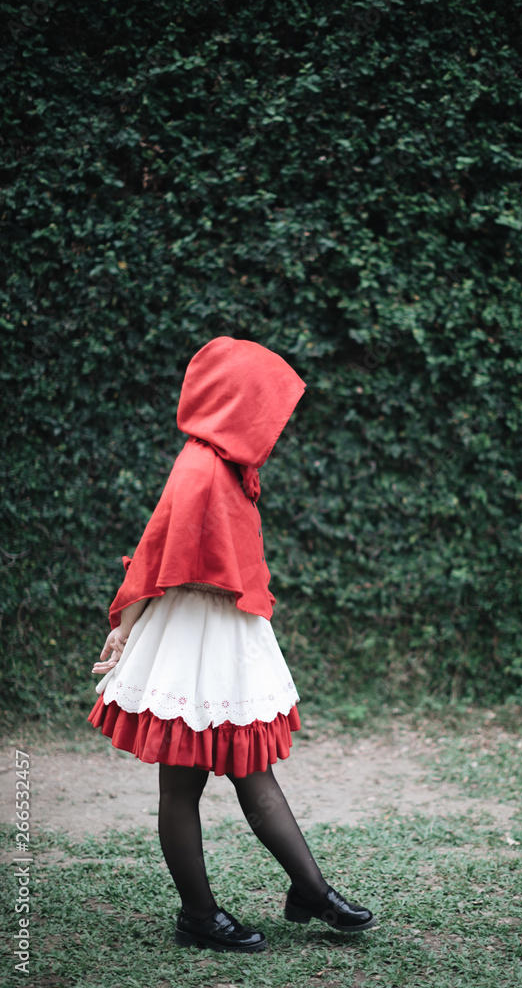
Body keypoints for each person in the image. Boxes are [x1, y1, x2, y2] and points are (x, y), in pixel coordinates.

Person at [88, 336, 376, 954]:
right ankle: (199, 914)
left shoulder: (227, 467)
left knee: (252, 769)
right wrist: (124, 628)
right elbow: (155, 555)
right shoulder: (198, 468)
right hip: (191, 640)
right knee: (182, 783)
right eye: (268, 411)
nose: (274, 428)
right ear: (236, 404)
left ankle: (311, 889)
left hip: (228, 635)